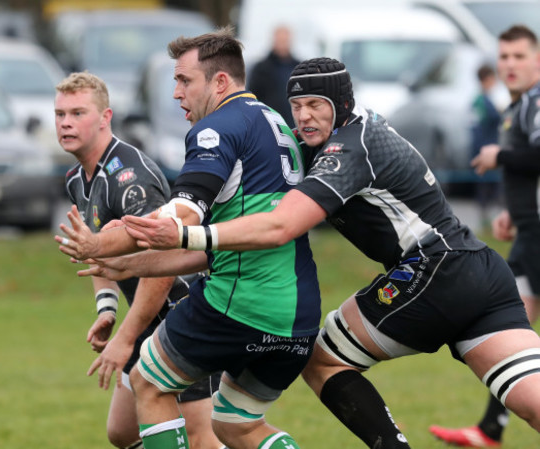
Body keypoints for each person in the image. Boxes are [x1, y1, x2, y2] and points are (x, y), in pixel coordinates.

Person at [109, 56, 540, 449]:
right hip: (481, 267)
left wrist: (187, 234)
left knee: (321, 360)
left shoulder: (348, 147)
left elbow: (281, 226)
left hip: (433, 271)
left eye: (315, 104)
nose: (304, 116)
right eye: (296, 106)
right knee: (530, 400)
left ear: (341, 102)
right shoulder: (355, 130)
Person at [56, 28, 322, 449]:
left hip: (239, 304)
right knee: (237, 425)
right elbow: (204, 247)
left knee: (147, 380)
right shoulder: (274, 123)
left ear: (219, 82)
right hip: (299, 312)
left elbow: (180, 217)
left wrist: (102, 244)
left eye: (184, 80)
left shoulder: (217, 129)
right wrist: (121, 265)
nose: (176, 92)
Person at [53, 71, 222, 449]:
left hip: (183, 314)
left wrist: (125, 339)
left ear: (104, 117)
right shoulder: (77, 179)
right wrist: (107, 309)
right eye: (60, 114)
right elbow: (95, 248)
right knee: (123, 432)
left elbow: (163, 261)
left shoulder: (128, 179)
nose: (66, 122)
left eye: (78, 113)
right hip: (144, 318)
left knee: (200, 437)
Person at [429, 24, 540, 448]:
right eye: (504, 56)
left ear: (537, 60)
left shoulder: (535, 102)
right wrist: (517, 210)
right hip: (529, 233)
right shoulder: (519, 105)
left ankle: (491, 429)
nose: (509, 64)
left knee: (511, 329)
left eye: (518, 56)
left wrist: (500, 155)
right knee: (513, 331)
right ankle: (491, 429)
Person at [247, 25, 300, 128]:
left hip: (293, 124)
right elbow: (252, 98)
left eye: (285, 40)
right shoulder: (261, 68)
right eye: (280, 40)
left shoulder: (298, 67)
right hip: (268, 124)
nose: (283, 44)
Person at [470, 63, 502, 223]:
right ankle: (487, 219)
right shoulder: (482, 102)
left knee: (489, 184)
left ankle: (488, 219)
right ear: (488, 79)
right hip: (486, 148)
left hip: (484, 147)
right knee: (487, 184)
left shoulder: (479, 100)